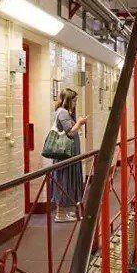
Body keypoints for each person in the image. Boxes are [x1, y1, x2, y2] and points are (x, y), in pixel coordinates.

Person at [51, 88, 88, 222]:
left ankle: (64, 211)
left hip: (68, 155)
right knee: (63, 180)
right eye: (74, 100)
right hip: (65, 155)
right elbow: (70, 132)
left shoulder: (64, 112)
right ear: (68, 100)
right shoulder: (63, 112)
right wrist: (79, 122)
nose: (75, 103)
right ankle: (60, 214)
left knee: (66, 181)